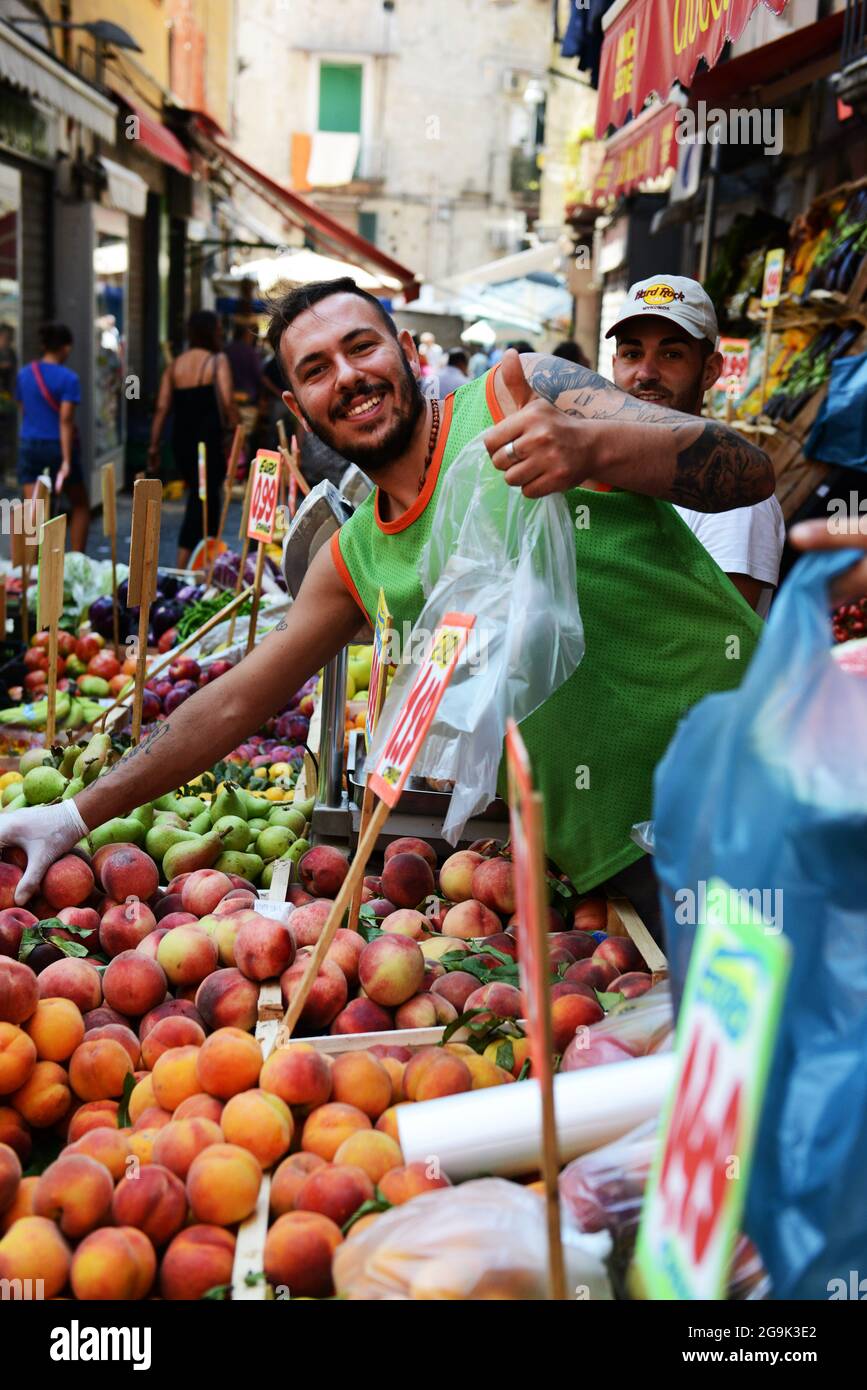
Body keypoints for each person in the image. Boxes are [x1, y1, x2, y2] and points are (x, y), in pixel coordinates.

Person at [0, 277, 776, 938]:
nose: (347, 375)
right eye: (315, 369)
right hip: (627, 856)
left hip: (757, 781)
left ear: (405, 350)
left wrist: (592, 447)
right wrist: (71, 815)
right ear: (299, 410)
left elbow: (747, 471)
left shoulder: (521, 390)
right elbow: (234, 699)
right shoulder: (356, 560)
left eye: (361, 347)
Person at [608, 276, 785, 616]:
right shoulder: (602, 468)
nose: (646, 373)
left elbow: (713, 646)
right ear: (615, 366)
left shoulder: (734, 495)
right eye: (632, 353)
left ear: (710, 371)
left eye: (671, 354)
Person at [147, 311, 238, 568]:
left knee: (199, 498)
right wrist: (236, 433)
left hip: (182, 442)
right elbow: (229, 402)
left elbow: (162, 408)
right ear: (211, 331)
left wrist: (154, 446)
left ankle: (202, 562)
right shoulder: (217, 361)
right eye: (219, 328)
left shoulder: (175, 365)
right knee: (206, 501)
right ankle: (187, 562)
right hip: (208, 442)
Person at [15, 322, 89, 552]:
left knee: (32, 509)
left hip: (29, 444)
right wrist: (66, 460)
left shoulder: (24, 374)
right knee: (80, 505)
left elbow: (22, 407)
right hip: (57, 446)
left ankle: (30, 572)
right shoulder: (69, 379)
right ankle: (77, 559)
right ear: (66, 348)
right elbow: (65, 420)